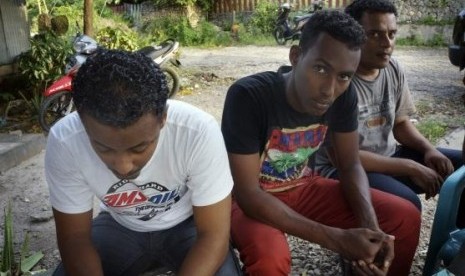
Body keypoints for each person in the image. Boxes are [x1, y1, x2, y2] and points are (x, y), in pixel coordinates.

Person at [221, 9, 420, 276]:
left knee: (403, 216)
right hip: (246, 198)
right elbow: (248, 194)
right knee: (271, 259)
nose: (329, 89)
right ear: (295, 56)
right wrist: (337, 239)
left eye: (344, 76)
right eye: (320, 68)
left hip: (302, 185)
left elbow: (349, 165)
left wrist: (371, 231)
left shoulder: (342, 96)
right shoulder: (249, 96)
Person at [45, 49, 241, 276]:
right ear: (81, 120)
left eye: (139, 147)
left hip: (189, 225)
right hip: (118, 227)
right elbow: (75, 238)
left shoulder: (197, 132)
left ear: (163, 118)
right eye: (103, 147)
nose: (123, 166)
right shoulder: (65, 140)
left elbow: (213, 235)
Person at [315, 0, 463, 211]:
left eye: (391, 34)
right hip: (343, 169)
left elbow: (400, 123)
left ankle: (456, 241)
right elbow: (340, 157)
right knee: (407, 205)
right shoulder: (337, 81)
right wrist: (410, 167)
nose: (387, 43)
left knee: (461, 170)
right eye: (374, 34)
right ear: (352, 36)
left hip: (389, 157)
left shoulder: (392, 68)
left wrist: (429, 150)